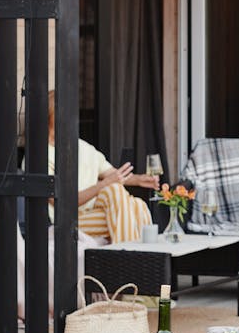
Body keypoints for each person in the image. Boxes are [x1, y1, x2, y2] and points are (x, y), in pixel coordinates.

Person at [46, 90, 158, 244]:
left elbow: (113, 175)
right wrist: (105, 183)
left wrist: (139, 180)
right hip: (65, 219)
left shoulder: (84, 148)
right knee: (137, 208)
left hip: (94, 211)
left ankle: (128, 261)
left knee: (120, 193)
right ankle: (136, 263)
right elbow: (64, 203)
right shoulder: (41, 157)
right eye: (54, 126)